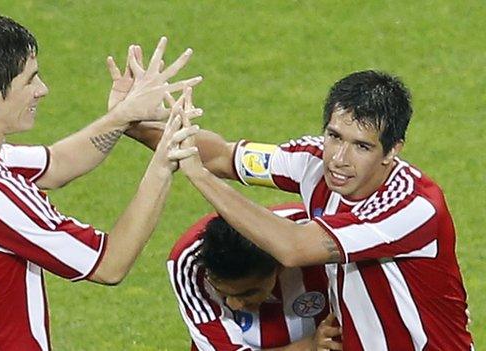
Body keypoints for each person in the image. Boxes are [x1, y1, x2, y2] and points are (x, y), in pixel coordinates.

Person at [0, 13, 200, 350]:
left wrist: (122, 116)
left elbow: (56, 164)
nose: (43, 90)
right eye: (30, 80)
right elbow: (109, 263)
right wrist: (161, 166)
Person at [123, 69, 474, 349]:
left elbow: (293, 248)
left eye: (361, 147)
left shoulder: (413, 206)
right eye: (334, 136)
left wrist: (197, 177)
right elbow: (220, 155)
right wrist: (128, 121)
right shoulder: (311, 162)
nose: (339, 159)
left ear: (392, 150)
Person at [168, 202, 341, 351]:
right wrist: (307, 347)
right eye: (221, 292)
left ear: (280, 265)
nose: (233, 305)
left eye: (247, 293)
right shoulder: (190, 263)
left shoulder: (321, 238)